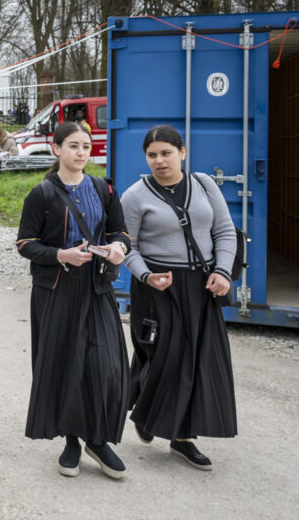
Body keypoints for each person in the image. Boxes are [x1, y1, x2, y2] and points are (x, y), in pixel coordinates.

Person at [15, 121, 131, 479]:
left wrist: (118, 247)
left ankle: (98, 439)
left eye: (86, 146)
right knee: (67, 364)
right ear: (56, 149)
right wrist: (60, 256)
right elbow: (25, 244)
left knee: (107, 364)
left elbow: (120, 231)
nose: (82, 153)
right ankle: (71, 441)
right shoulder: (42, 193)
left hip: (97, 288)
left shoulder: (103, 188)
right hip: (58, 291)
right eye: (73, 146)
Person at [120, 125, 237, 470]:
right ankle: (146, 410)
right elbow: (129, 246)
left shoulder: (204, 185)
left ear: (182, 152)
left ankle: (181, 438)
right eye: (152, 155)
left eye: (166, 153)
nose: (159, 160)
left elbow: (224, 230)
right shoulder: (134, 196)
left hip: (202, 285)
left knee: (196, 359)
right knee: (163, 356)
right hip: (158, 286)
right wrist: (146, 275)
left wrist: (224, 272)